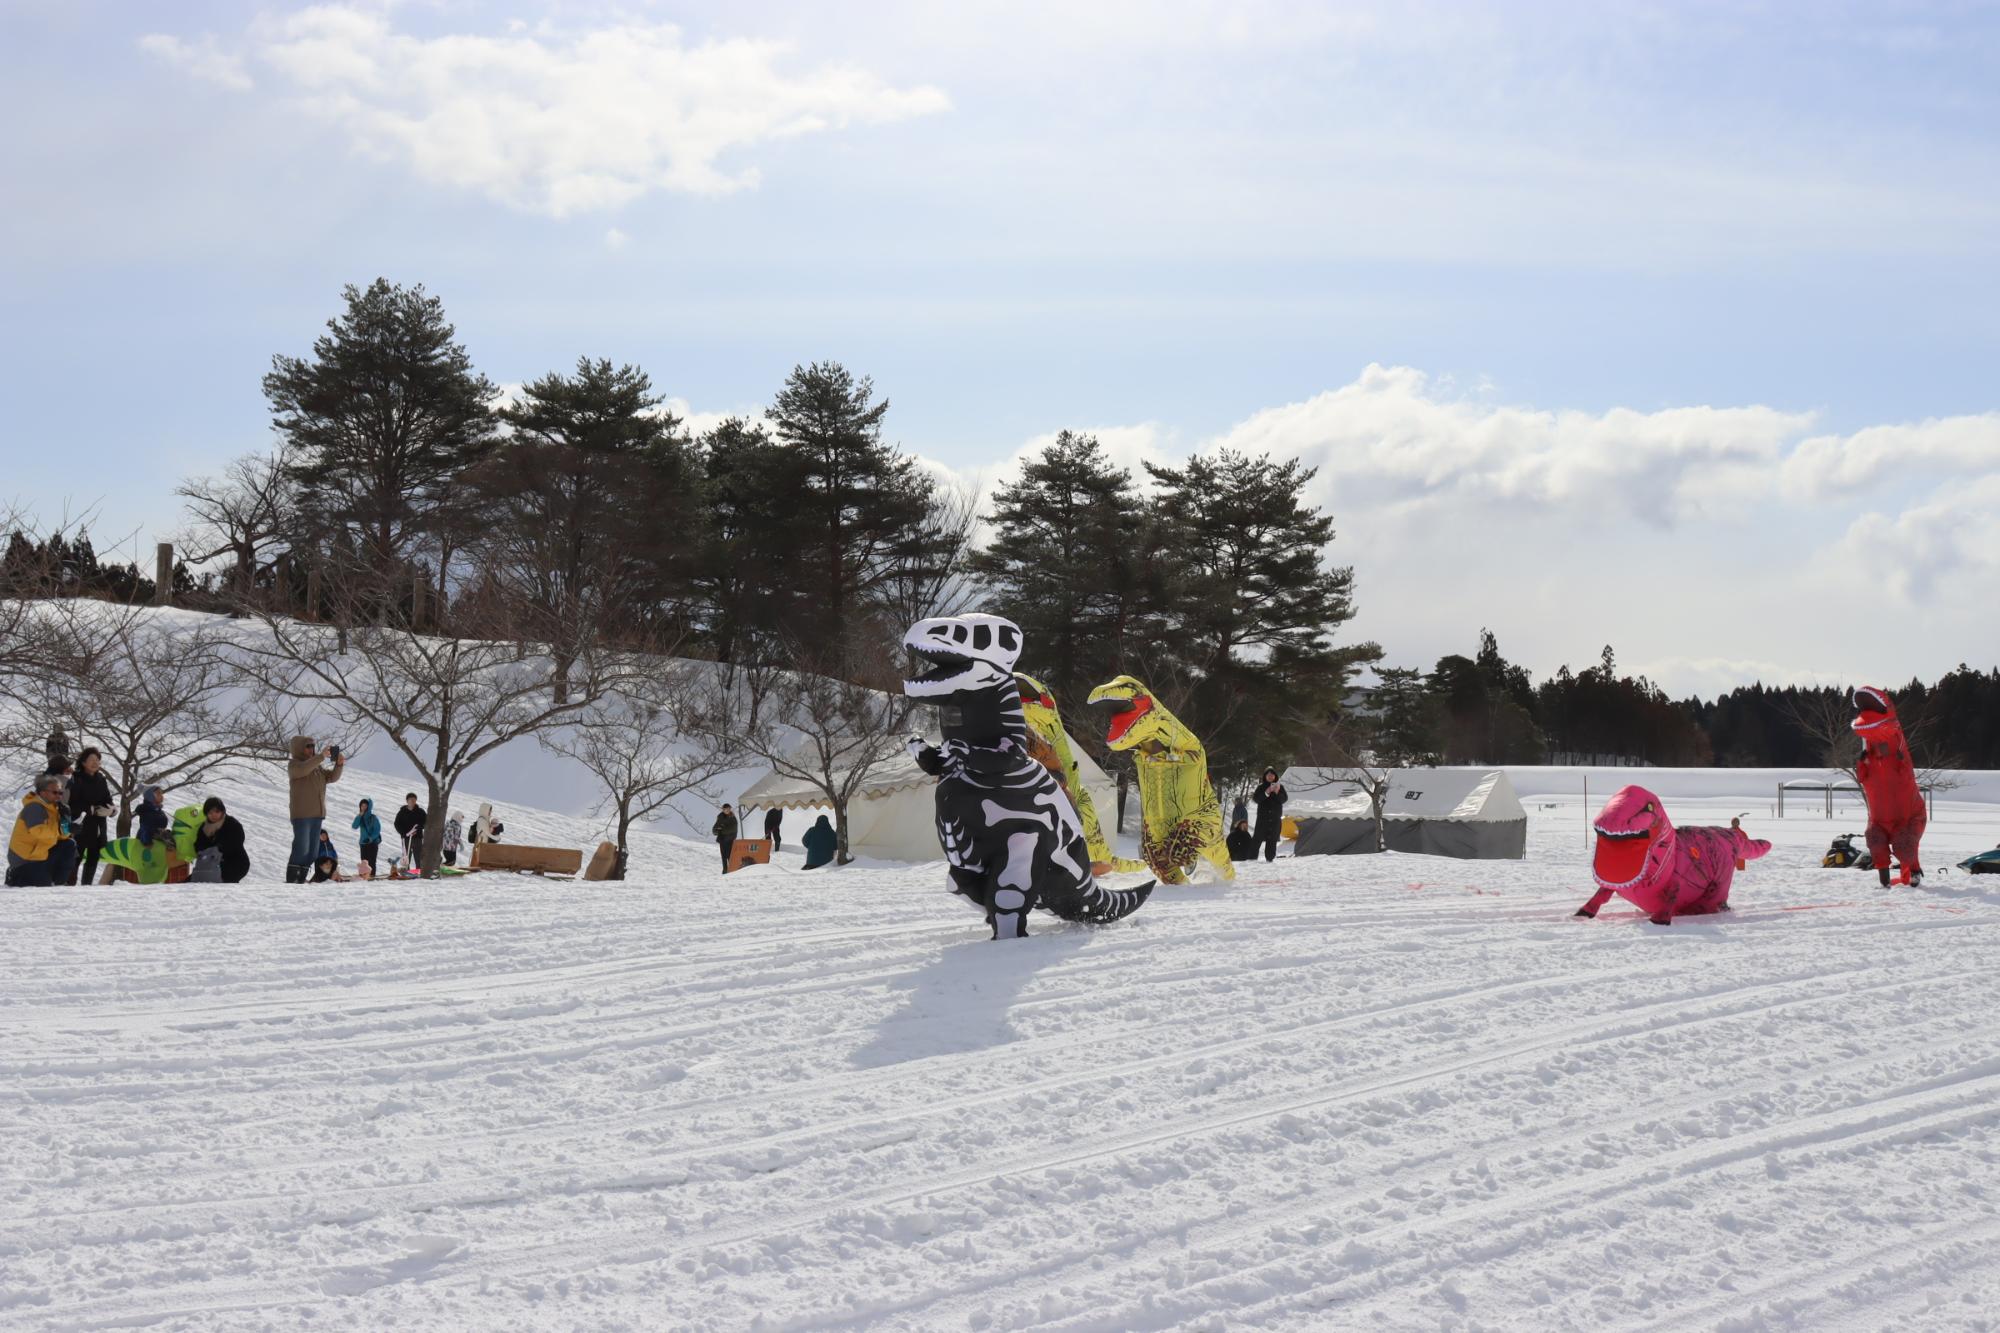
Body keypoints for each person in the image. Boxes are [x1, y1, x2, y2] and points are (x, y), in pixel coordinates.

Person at [287, 735, 344, 884]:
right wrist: (320, 757)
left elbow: (331, 777)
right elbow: (303, 770)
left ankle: (300, 880)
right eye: (308, 746)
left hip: (317, 815)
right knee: (302, 849)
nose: (312, 749)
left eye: (313, 746)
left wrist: (339, 765)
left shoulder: (316, 767)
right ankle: (292, 880)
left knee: (312, 852)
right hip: (302, 815)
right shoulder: (294, 765)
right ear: (299, 748)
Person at [7, 773, 75, 887]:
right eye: (55, 792)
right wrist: (60, 830)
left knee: (68, 844)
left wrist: (66, 821)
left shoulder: (54, 808)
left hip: (40, 853)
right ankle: (14, 875)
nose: (59, 796)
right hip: (25, 859)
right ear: (43, 793)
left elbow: (62, 836)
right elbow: (38, 832)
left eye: (60, 793)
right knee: (41, 886)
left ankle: (57, 882)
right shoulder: (34, 807)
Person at [68, 746, 114, 886]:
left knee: (93, 858)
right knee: (76, 858)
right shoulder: (76, 778)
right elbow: (72, 804)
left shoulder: (101, 779)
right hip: (81, 826)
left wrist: (112, 810)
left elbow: (107, 799)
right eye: (91, 759)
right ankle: (68, 887)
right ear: (83, 762)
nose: (95, 762)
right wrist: (91, 810)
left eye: (97, 760)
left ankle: (87, 887)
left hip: (98, 826)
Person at [192, 796, 250, 883]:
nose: (213, 815)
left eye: (217, 811)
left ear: (222, 811)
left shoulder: (232, 823)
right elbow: (198, 845)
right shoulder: (204, 828)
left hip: (235, 863)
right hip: (210, 864)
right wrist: (205, 851)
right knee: (191, 881)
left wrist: (218, 849)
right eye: (210, 813)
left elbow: (236, 842)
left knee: (217, 882)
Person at [1251, 767, 1287, 863]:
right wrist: (1266, 793)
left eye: (1272, 775)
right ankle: (1252, 858)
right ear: (1265, 776)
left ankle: (1270, 858)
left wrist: (1276, 792)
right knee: (1257, 838)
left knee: (1272, 839)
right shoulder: (1261, 787)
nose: (1270, 777)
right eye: (1268, 775)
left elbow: (1284, 799)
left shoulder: (1280, 787)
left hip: (1275, 819)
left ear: (1275, 776)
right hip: (1262, 819)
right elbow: (1256, 799)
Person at [393, 793, 426, 872]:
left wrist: (418, 828)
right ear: (407, 801)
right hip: (406, 838)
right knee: (406, 856)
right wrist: (404, 833)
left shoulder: (420, 811)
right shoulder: (402, 812)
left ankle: (419, 871)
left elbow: (425, 822)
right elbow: (397, 824)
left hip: (417, 838)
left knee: (418, 856)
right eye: (411, 800)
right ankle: (406, 872)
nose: (412, 802)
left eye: (414, 800)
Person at [351, 797, 382, 877]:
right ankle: (364, 877)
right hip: (363, 843)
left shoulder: (373, 817)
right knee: (364, 862)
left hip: (373, 843)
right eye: (362, 806)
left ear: (368, 807)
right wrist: (359, 816)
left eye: (365, 806)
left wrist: (370, 838)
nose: (363, 807)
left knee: (372, 862)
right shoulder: (360, 817)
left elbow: (377, 830)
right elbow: (354, 826)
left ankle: (371, 877)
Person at [712, 803, 739, 873]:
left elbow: (733, 829)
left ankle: (732, 869)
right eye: (726, 809)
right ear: (723, 810)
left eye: (728, 809)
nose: (727, 810)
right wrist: (717, 830)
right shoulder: (720, 817)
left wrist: (722, 829)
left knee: (730, 855)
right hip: (722, 840)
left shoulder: (732, 817)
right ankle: (725, 870)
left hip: (730, 840)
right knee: (723, 856)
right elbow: (714, 829)